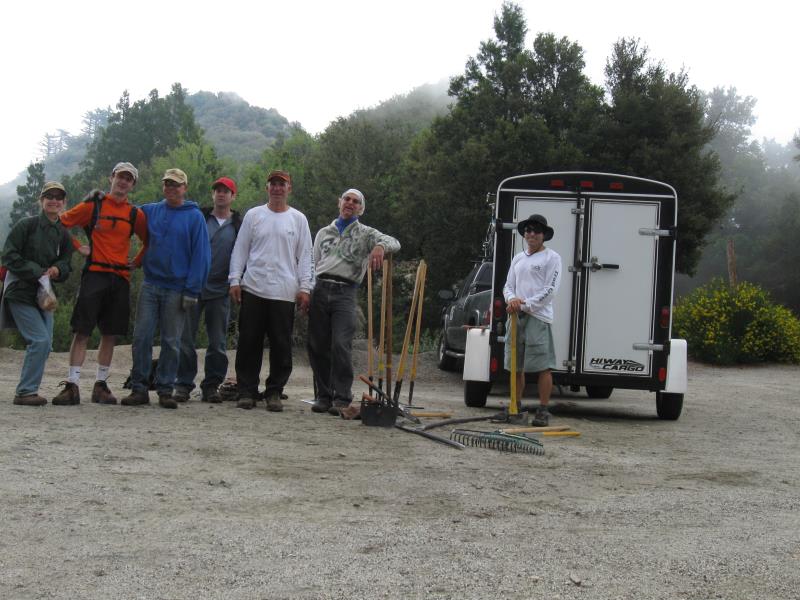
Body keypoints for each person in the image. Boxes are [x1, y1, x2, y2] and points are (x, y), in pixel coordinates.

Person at [53, 162, 147, 405]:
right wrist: (77, 246)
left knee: (110, 334)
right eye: (120, 177)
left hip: (120, 278)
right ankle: (72, 385)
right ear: (111, 178)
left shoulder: (135, 214)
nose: (123, 182)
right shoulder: (93, 205)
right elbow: (61, 224)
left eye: (129, 179)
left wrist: (135, 262)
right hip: (94, 274)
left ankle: (100, 386)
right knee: (82, 331)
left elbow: (149, 240)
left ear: (133, 184)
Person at [121, 169, 210, 409]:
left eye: (176, 185)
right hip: (151, 284)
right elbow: (123, 215)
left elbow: (201, 255)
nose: (171, 188)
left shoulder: (194, 217)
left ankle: (165, 389)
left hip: (178, 288)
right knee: (141, 337)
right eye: (168, 184)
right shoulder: (150, 211)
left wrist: (193, 290)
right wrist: (99, 201)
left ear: (185, 188)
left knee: (172, 341)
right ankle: (139, 388)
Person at [308, 188, 400, 415]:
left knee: (340, 343)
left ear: (361, 208)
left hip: (345, 291)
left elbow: (394, 242)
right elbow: (313, 263)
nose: (350, 203)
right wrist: (306, 291)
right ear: (339, 203)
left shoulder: (366, 234)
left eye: (355, 201)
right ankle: (323, 396)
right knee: (318, 345)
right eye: (346, 199)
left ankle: (342, 397)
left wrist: (380, 247)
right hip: (319, 289)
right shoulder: (323, 233)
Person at [229, 169, 313, 412]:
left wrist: (305, 287)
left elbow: (305, 256)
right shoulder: (254, 215)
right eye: (273, 184)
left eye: (282, 184)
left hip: (284, 292)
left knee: (281, 345)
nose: (277, 188)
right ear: (267, 188)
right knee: (248, 342)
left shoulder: (298, 219)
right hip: (253, 288)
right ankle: (246, 391)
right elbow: (240, 249)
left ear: (289, 189)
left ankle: (274, 391)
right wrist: (235, 279)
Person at [1, 182, 74, 406]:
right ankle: (25, 392)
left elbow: (66, 264)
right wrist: (37, 270)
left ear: (64, 202)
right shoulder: (27, 225)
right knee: (40, 340)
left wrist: (57, 269)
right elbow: (9, 256)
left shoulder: (63, 233)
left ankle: (28, 389)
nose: (54, 200)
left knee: (46, 342)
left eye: (58, 197)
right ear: (41, 200)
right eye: (49, 196)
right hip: (20, 292)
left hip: (44, 295)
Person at [174, 177, 241, 403]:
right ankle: (183, 384)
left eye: (226, 191)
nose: (221, 194)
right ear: (212, 194)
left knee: (218, 343)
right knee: (185, 340)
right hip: (193, 287)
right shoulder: (200, 218)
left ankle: (211, 386)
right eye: (217, 190)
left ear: (233, 196)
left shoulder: (239, 225)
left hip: (221, 290)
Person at [503, 213, 562, 426]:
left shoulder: (552, 258)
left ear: (544, 235)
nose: (531, 234)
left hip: (538, 316)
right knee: (514, 365)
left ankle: (543, 409)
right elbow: (508, 285)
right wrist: (512, 300)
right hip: (516, 315)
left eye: (536, 230)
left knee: (542, 365)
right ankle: (515, 406)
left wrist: (525, 304)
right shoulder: (518, 258)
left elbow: (550, 290)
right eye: (528, 230)